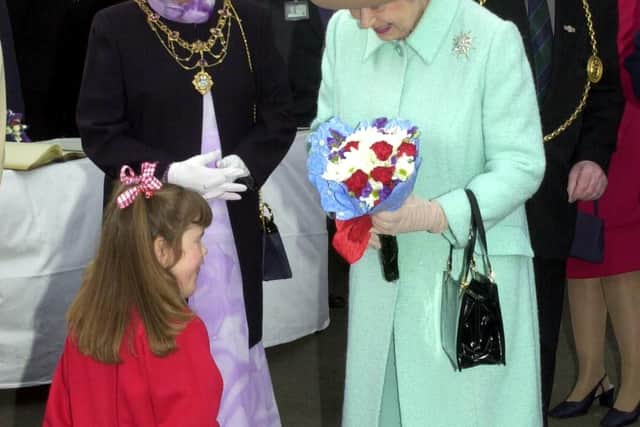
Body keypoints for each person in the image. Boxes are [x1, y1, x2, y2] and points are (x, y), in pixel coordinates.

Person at [309, 0, 546, 425]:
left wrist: (438, 215)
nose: (363, 20)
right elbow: (325, 137)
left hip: (467, 282)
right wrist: (347, 202)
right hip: (380, 283)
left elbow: (521, 163)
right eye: (350, 5)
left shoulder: (491, 39)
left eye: (374, 4)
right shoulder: (343, 35)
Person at [77, 0, 296, 425]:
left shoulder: (248, 19)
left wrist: (246, 163)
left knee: (232, 343)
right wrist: (167, 172)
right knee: (157, 349)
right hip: (154, 223)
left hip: (231, 216)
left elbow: (279, 116)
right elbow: (100, 134)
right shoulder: (115, 25)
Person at [482, 0, 624, 421]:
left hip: (551, 200)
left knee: (538, 337)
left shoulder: (593, 4)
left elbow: (605, 89)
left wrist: (593, 157)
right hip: (477, 203)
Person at [43, 165, 223, 426]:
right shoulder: (178, 333)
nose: (204, 251)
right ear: (162, 250)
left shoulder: (85, 325)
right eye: (197, 240)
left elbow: (58, 417)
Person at [550, 1, 640, 426]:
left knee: (620, 258)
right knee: (578, 253)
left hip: (627, 123)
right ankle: (590, 373)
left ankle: (636, 382)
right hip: (575, 126)